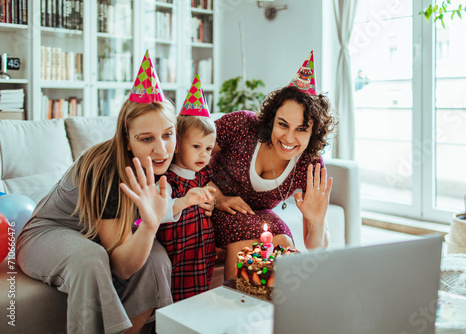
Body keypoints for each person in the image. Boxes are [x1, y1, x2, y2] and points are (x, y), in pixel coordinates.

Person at [16, 51, 176, 334]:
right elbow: (122, 267)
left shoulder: (165, 159)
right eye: (146, 139)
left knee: (156, 260)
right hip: (47, 233)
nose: (162, 149)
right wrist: (150, 225)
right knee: (90, 259)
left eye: (167, 134)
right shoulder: (106, 169)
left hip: (95, 235)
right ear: (126, 140)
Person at [207, 51, 336, 279]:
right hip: (210, 205)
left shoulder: (310, 165)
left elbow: (317, 247)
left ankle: (279, 310)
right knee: (246, 244)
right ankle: (235, 308)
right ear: (271, 119)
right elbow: (189, 153)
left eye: (301, 129)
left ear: (314, 131)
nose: (288, 138)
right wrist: (217, 197)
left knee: (283, 241)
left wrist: (316, 221)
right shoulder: (242, 125)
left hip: (258, 216)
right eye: (283, 125)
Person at [156, 74, 217, 302]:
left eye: (209, 148)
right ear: (177, 146)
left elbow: (214, 201)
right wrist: (184, 201)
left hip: (202, 255)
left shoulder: (204, 176)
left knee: (198, 302)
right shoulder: (168, 179)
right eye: (197, 146)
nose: (204, 154)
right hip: (176, 256)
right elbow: (158, 214)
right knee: (173, 304)